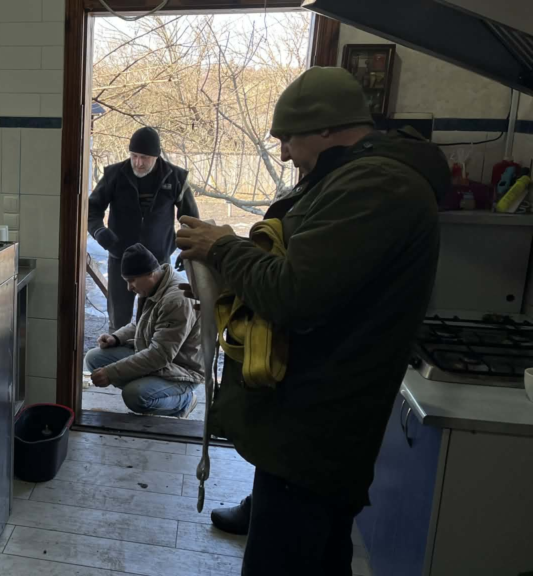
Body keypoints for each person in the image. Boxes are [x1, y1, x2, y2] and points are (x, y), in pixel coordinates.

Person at [175, 67, 449, 575]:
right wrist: (232, 265)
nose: (282, 154)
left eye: (287, 139)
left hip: (318, 428)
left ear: (327, 128)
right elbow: (310, 271)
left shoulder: (377, 185)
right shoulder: (357, 177)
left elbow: (292, 293)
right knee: (319, 558)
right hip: (309, 425)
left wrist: (223, 246)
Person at [88, 126, 199, 331]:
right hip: (120, 257)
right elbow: (91, 209)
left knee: (154, 321)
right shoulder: (115, 174)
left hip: (157, 262)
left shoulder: (174, 178)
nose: (138, 163)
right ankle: (118, 357)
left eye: (144, 157)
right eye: (134, 156)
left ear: (156, 156)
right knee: (119, 321)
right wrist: (98, 231)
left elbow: (190, 220)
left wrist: (187, 250)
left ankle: (148, 359)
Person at [83, 243, 204, 417]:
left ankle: (184, 401)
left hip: (182, 370)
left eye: (131, 280)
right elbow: (142, 323)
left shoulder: (175, 300)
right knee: (95, 358)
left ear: (150, 273)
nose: (129, 288)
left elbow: (159, 356)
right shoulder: (155, 286)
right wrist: (116, 338)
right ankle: (152, 386)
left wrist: (112, 373)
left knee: (135, 396)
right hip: (156, 358)